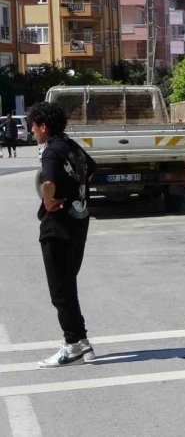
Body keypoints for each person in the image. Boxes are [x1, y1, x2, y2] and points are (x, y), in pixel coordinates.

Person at [28, 102, 97, 368]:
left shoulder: (50, 152)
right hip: (78, 224)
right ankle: (82, 341)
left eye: (33, 126)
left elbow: (48, 182)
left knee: (60, 290)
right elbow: (91, 169)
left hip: (57, 228)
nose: (32, 131)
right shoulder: (70, 145)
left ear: (43, 127)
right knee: (68, 285)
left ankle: (72, 347)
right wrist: (74, 193)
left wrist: (49, 201)